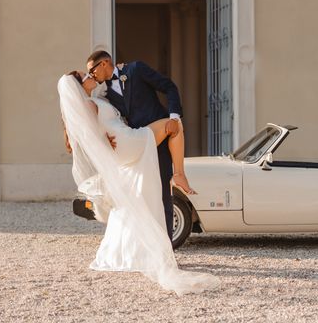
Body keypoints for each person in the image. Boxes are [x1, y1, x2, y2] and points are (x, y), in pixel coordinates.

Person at [58, 72, 219, 295]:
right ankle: (179, 174)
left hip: (124, 142)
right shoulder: (88, 105)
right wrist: (103, 140)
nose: (90, 76)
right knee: (174, 125)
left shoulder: (93, 101)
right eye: (85, 76)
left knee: (131, 199)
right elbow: (86, 132)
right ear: (78, 86)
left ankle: (128, 251)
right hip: (126, 142)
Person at [85, 50, 194, 240]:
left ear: (104, 63)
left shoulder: (136, 69)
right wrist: (105, 138)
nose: (91, 75)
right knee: (142, 196)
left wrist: (174, 117)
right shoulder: (104, 94)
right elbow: (103, 120)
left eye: (92, 70)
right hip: (136, 147)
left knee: (163, 194)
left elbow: (169, 86)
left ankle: (166, 249)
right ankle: (146, 246)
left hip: (159, 140)